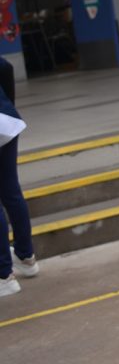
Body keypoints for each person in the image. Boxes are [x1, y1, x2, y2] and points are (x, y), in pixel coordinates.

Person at [0, 58, 38, 297]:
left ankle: (4, 274)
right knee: (11, 190)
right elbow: (5, 67)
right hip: (6, 120)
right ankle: (26, 257)